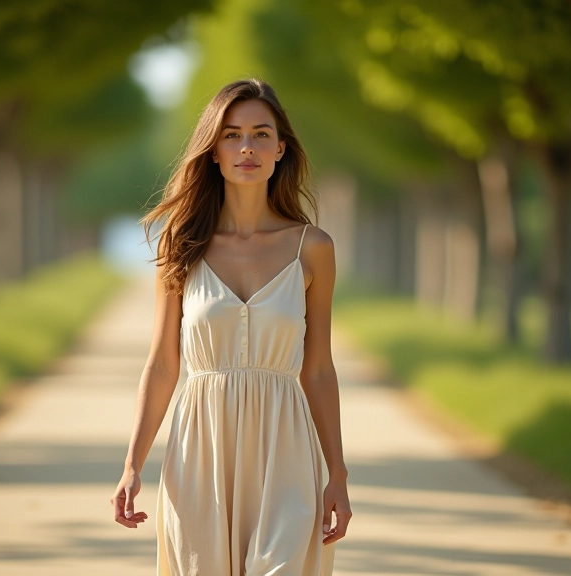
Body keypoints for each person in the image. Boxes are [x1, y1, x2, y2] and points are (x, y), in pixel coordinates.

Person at [111, 78, 351, 576]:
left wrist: (338, 473)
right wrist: (133, 464)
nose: (247, 147)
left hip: (286, 449)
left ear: (281, 149)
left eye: (261, 134)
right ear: (213, 151)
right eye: (231, 134)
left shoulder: (314, 248)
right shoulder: (180, 246)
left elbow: (320, 370)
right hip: (201, 451)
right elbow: (161, 365)